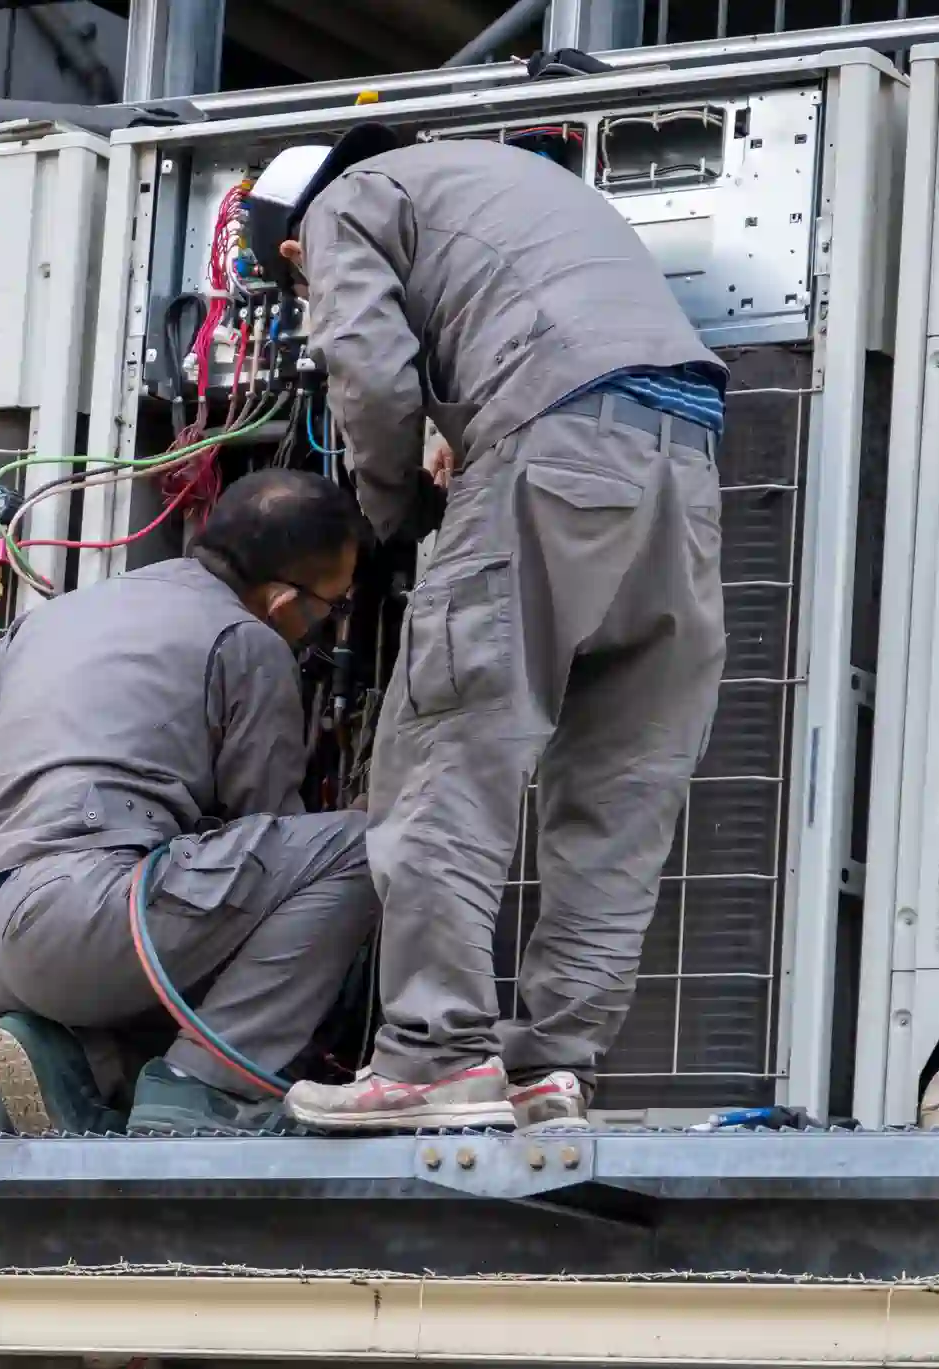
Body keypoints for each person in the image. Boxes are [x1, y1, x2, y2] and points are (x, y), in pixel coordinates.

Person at [259, 127, 730, 1132]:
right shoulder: (504, 184)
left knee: (446, 763)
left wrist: (385, 519)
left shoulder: (350, 202)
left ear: (295, 252)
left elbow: (371, 372)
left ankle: (433, 1055)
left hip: (555, 453)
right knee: (618, 800)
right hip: (682, 470)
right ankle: (552, 1067)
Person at [0, 469, 378, 1136]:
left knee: (168, 895)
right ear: (281, 601)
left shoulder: (62, 614)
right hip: (88, 923)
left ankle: (75, 1061)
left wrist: (26, 800)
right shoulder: (247, 642)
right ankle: (209, 1085)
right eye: (327, 608)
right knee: (354, 850)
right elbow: (267, 835)